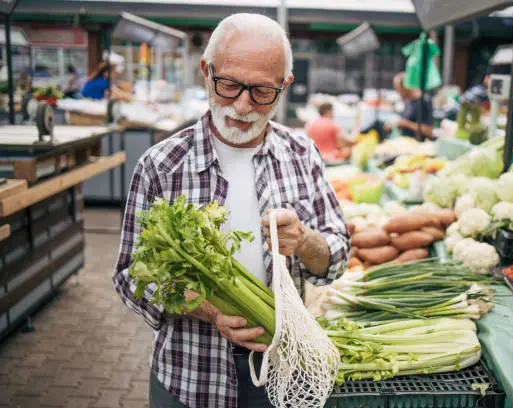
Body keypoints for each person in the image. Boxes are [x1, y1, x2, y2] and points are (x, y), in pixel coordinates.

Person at [112, 13, 350, 408]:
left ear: (284, 85)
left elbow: (338, 257)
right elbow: (127, 275)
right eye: (229, 85)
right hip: (189, 379)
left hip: (286, 374)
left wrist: (307, 242)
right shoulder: (161, 165)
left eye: (261, 92)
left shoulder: (301, 154)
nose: (242, 105)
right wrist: (206, 309)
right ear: (207, 71)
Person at [383, 72, 434, 139]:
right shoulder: (408, 102)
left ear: (406, 87)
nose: (398, 92)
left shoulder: (424, 102)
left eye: (398, 89)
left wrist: (406, 124)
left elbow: (429, 131)